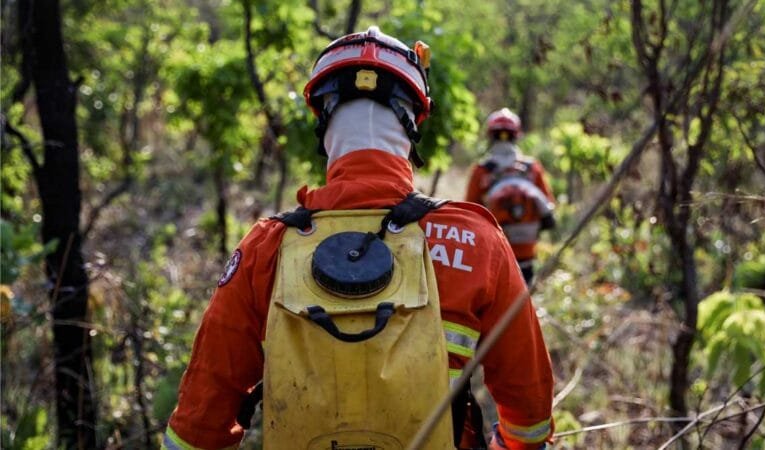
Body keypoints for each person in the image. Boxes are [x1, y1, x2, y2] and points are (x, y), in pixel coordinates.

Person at [162, 27, 554, 450]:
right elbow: (529, 418)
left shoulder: (266, 248)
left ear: (322, 118)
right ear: (414, 121)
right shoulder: (476, 240)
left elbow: (197, 428)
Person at [465, 109, 556, 284]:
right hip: (527, 252)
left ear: (490, 135)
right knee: (523, 301)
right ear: (517, 135)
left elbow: (470, 213)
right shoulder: (532, 168)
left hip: (494, 252)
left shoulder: (481, 170)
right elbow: (548, 206)